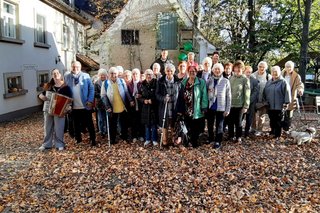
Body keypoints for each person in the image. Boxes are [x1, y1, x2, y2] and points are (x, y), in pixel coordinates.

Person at [39, 69, 72, 151]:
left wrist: (68, 107)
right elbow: (41, 95)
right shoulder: (49, 86)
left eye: (57, 73)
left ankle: (59, 144)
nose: (56, 74)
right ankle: (46, 144)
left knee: (59, 128)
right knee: (47, 127)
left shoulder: (65, 87)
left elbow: (70, 100)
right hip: (48, 110)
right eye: (54, 73)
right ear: (52, 75)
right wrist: (42, 97)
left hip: (60, 111)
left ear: (60, 75)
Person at [64, 61, 96, 146]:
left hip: (85, 105)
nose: (75, 68)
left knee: (89, 124)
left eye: (77, 67)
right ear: (71, 67)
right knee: (76, 124)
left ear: (80, 67)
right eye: (73, 67)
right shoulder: (67, 77)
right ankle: (78, 140)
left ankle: (93, 140)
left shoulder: (86, 76)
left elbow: (91, 89)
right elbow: (65, 90)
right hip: (73, 106)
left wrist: (90, 100)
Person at [177, 65, 208, 148]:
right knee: (187, 126)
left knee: (196, 127)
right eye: (190, 71)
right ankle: (188, 141)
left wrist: (204, 107)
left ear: (196, 72)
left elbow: (204, 95)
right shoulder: (183, 82)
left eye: (194, 71)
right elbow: (180, 97)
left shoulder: (201, 82)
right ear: (188, 72)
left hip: (196, 108)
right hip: (186, 108)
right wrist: (179, 109)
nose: (192, 73)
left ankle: (195, 142)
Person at [101, 67, 134, 144]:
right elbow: (103, 96)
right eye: (111, 73)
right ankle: (112, 139)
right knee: (112, 124)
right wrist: (107, 106)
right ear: (109, 74)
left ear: (117, 74)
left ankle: (124, 137)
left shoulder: (121, 81)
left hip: (122, 106)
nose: (113, 75)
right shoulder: (105, 83)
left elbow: (126, 92)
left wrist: (130, 100)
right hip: (112, 107)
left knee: (124, 123)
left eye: (115, 73)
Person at [206, 63, 231, 149]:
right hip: (211, 106)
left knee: (219, 125)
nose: (217, 71)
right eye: (215, 69)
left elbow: (229, 96)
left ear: (222, 71)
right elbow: (206, 92)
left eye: (219, 69)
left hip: (221, 107)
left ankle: (218, 141)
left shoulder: (226, 81)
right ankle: (210, 138)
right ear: (213, 70)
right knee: (210, 124)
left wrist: (227, 109)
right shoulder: (209, 80)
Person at [263, 66, 291, 140]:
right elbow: (265, 92)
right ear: (271, 73)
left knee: (278, 120)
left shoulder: (283, 82)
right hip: (270, 105)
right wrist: (265, 101)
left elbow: (287, 93)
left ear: (279, 72)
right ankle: (272, 131)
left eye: (276, 72)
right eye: (273, 72)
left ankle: (277, 135)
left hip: (279, 105)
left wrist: (286, 103)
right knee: (272, 119)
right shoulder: (268, 82)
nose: (274, 74)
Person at [156, 63, 181, 146]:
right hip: (164, 106)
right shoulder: (160, 82)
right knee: (165, 124)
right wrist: (163, 98)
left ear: (173, 72)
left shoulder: (177, 82)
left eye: (171, 71)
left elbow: (179, 95)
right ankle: (165, 141)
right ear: (165, 71)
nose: (169, 72)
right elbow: (157, 94)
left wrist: (172, 98)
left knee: (173, 123)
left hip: (174, 106)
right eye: (167, 71)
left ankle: (173, 140)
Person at [228, 60, 250, 143]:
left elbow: (247, 93)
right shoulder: (231, 78)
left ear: (242, 69)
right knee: (230, 121)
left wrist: (246, 106)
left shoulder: (245, 79)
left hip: (240, 105)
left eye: (239, 69)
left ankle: (238, 136)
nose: (237, 71)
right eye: (236, 69)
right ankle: (231, 136)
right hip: (230, 104)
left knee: (238, 122)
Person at [281, 61, 304, 132]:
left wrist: (300, 90)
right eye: (287, 66)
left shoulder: (296, 76)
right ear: (285, 67)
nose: (288, 68)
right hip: (281, 95)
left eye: (290, 67)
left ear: (293, 68)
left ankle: (286, 129)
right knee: (280, 113)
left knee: (288, 113)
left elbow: (300, 84)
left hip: (290, 96)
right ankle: (279, 129)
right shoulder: (281, 74)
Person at [138, 69, 158, 147]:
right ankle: (147, 139)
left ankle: (154, 139)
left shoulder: (156, 83)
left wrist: (152, 100)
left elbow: (157, 94)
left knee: (153, 124)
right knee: (147, 124)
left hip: (153, 107)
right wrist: (144, 100)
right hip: (145, 107)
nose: (149, 76)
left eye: (150, 74)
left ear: (152, 75)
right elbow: (139, 96)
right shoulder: (142, 84)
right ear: (145, 76)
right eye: (147, 74)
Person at [251, 61, 272, 135]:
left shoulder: (268, 76)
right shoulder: (253, 75)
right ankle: (253, 128)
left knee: (261, 116)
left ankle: (259, 130)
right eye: (260, 66)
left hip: (263, 99)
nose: (261, 68)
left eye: (263, 67)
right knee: (253, 114)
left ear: (266, 68)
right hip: (254, 98)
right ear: (258, 67)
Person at [127, 68, 144, 142]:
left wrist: (140, 96)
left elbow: (144, 93)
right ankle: (134, 136)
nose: (135, 75)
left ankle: (141, 135)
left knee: (141, 120)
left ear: (139, 75)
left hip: (141, 105)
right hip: (133, 105)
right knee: (133, 121)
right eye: (133, 74)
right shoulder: (129, 84)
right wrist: (130, 100)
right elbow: (127, 94)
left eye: (136, 74)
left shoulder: (142, 83)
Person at [244, 65, 259, 137]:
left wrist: (248, 101)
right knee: (240, 118)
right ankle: (239, 132)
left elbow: (255, 92)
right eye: (247, 72)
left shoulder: (255, 81)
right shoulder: (241, 79)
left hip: (251, 103)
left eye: (250, 72)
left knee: (249, 118)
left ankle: (246, 132)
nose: (248, 74)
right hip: (242, 102)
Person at [94, 68, 108, 139]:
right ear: (99, 75)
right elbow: (95, 93)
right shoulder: (96, 83)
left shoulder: (107, 82)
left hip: (107, 103)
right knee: (101, 119)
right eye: (101, 75)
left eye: (104, 75)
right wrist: (102, 95)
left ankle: (107, 131)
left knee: (107, 118)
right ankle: (101, 131)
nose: (103, 76)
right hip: (99, 103)